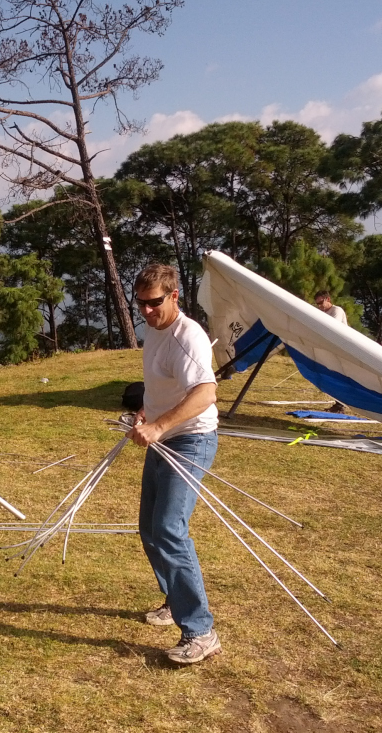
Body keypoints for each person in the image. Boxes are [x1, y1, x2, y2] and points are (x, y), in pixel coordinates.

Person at [127, 263, 222, 666]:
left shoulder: (188, 337)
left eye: (154, 303)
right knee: (149, 528)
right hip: (163, 435)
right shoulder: (154, 330)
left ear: (174, 295)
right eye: (141, 305)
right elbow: (159, 383)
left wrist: (162, 424)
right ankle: (175, 599)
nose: (147, 312)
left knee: (169, 528)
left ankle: (200, 631)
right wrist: (147, 413)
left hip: (191, 438)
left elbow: (206, 392)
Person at [314, 291, 349, 411]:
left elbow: (331, 327)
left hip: (341, 348)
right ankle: (338, 403)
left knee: (339, 376)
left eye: (321, 302)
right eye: (317, 303)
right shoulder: (321, 312)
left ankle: (341, 404)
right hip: (330, 349)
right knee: (330, 375)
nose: (319, 306)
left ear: (328, 299)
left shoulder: (336, 311)